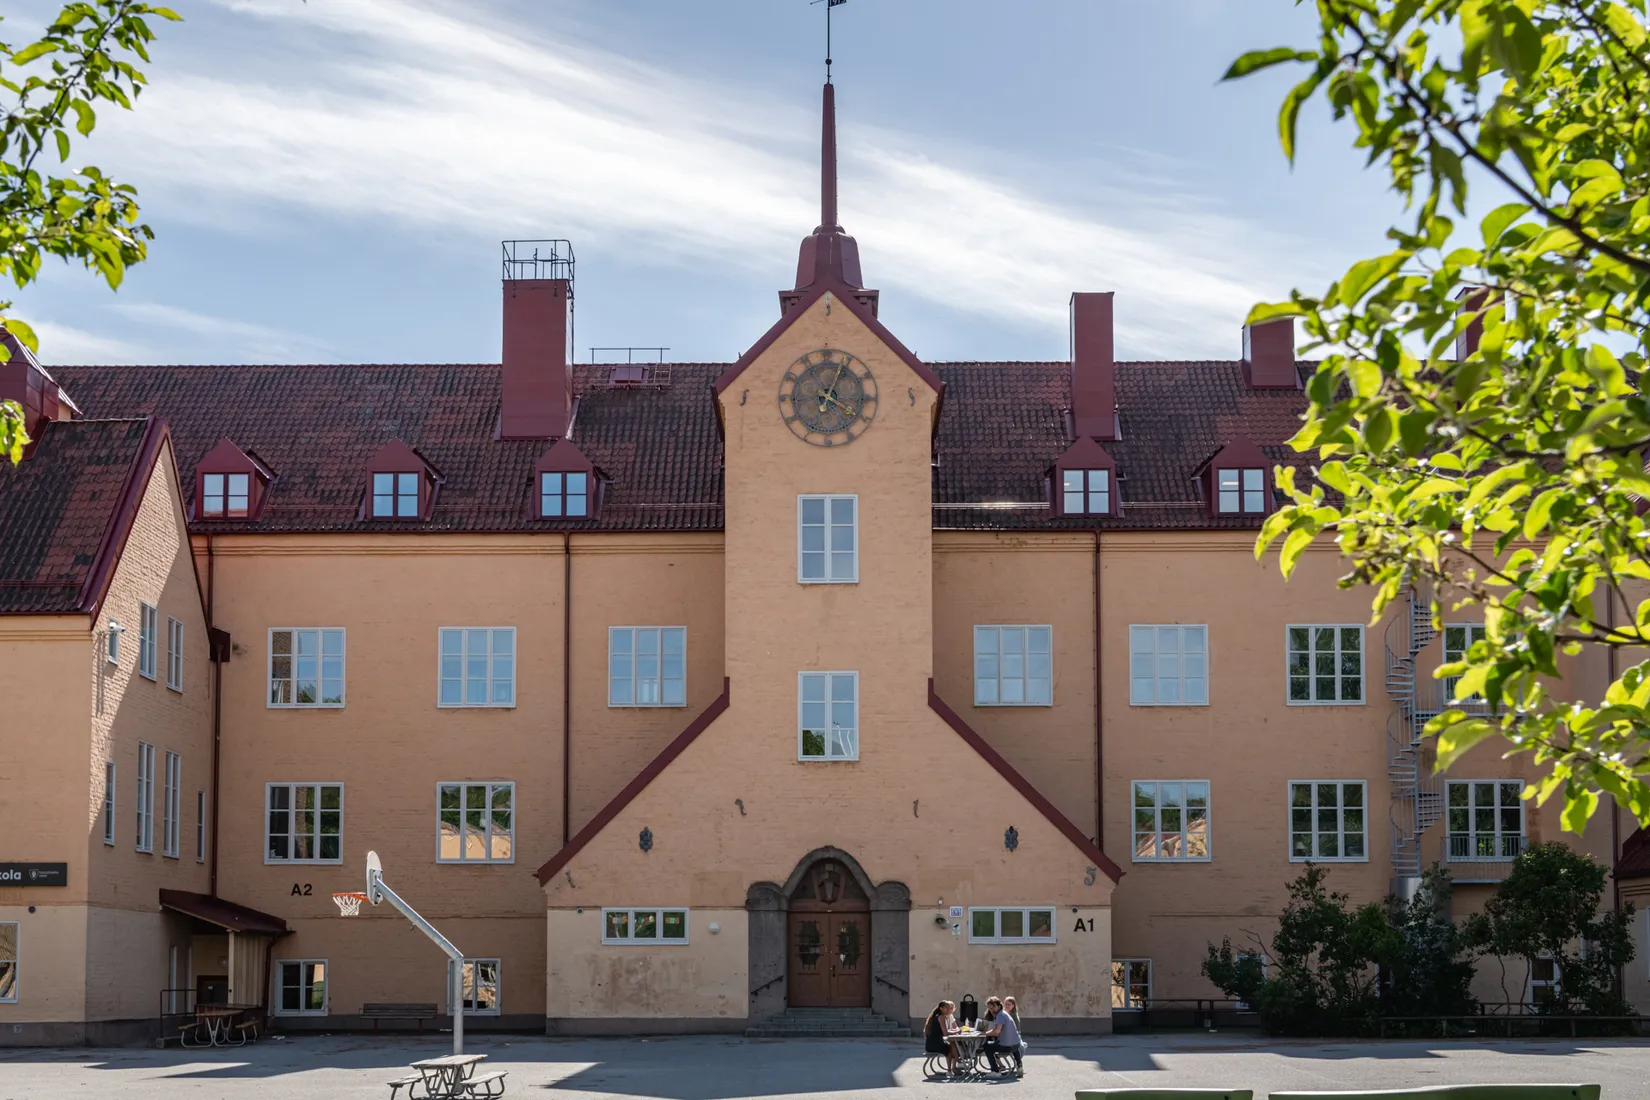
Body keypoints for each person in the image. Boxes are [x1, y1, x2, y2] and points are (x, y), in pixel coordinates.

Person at [981, 995, 1024, 1076]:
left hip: (1007, 1046)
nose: (991, 1010)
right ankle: (1019, 1066)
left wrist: (984, 1033)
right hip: (1016, 1045)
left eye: (993, 1008)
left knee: (987, 1047)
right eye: (989, 1008)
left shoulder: (1000, 1016)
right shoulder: (1004, 1013)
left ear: (998, 1005)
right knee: (1013, 1043)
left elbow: (996, 1031)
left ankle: (995, 1071)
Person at [923, 999, 959, 1076]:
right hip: (935, 1045)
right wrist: (957, 1032)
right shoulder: (941, 1017)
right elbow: (945, 1033)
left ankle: (956, 1063)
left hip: (929, 1045)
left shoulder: (935, 1015)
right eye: (947, 1008)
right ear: (941, 1008)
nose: (949, 1010)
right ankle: (950, 1070)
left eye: (950, 1008)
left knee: (951, 1043)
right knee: (949, 1049)